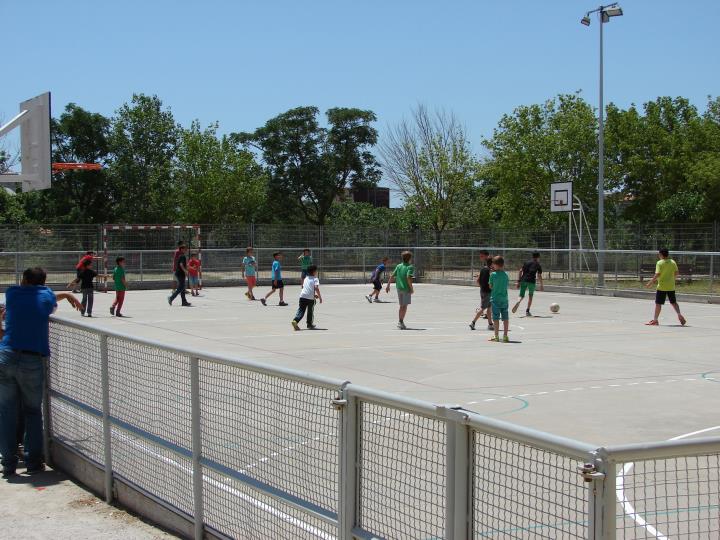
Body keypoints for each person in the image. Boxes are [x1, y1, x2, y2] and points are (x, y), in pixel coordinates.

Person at [0, 267, 81, 478]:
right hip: (31, 359)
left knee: (7, 413)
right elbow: (49, 304)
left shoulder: (12, 293)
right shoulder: (46, 295)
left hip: (6, 356)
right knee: (33, 411)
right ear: (43, 282)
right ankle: (33, 462)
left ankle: (8, 464)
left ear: (25, 280)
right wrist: (66, 294)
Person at [644, 248, 687, 326]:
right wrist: (671, 279)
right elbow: (677, 273)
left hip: (662, 287)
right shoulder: (673, 262)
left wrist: (650, 282)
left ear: (661, 255)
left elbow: (657, 274)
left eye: (659, 254)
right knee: (673, 302)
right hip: (671, 286)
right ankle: (679, 314)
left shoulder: (659, 263)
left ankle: (655, 320)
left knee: (658, 304)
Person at [386, 251, 415, 330]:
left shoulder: (399, 266)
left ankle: (400, 321)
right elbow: (408, 278)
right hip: (406, 289)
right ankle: (400, 322)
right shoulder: (410, 267)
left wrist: (388, 285)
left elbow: (392, 276)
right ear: (410, 258)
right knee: (404, 306)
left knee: (401, 305)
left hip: (399, 288)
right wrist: (411, 289)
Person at [512, 252, 544, 317]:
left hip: (523, 280)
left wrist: (518, 281)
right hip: (531, 281)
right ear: (538, 257)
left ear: (532, 256)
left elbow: (520, 271)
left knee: (521, 295)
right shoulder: (538, 264)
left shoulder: (526, 263)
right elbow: (539, 275)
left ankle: (518, 301)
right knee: (530, 296)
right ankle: (527, 311)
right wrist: (541, 285)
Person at [291, 265, 322, 330]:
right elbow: (316, 288)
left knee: (301, 310)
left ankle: (295, 321)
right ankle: (309, 324)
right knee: (310, 311)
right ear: (314, 272)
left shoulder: (306, 278)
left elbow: (307, 288)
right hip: (310, 299)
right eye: (316, 271)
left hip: (302, 296)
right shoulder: (315, 279)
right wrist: (320, 297)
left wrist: (314, 295)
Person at [470, 250, 494, 331]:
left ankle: (490, 324)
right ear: (492, 264)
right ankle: (473, 322)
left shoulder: (482, 269)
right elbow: (491, 282)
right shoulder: (490, 271)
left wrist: (482, 287)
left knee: (489, 308)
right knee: (483, 308)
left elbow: (478, 281)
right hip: (488, 291)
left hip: (483, 290)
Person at [488, 256, 510, 343]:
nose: (492, 266)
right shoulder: (506, 275)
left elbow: (490, 286)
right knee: (505, 318)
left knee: (496, 318)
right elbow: (506, 285)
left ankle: (496, 336)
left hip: (495, 300)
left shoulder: (493, 275)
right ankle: (505, 336)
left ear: (496, 265)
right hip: (504, 300)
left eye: (493, 264)